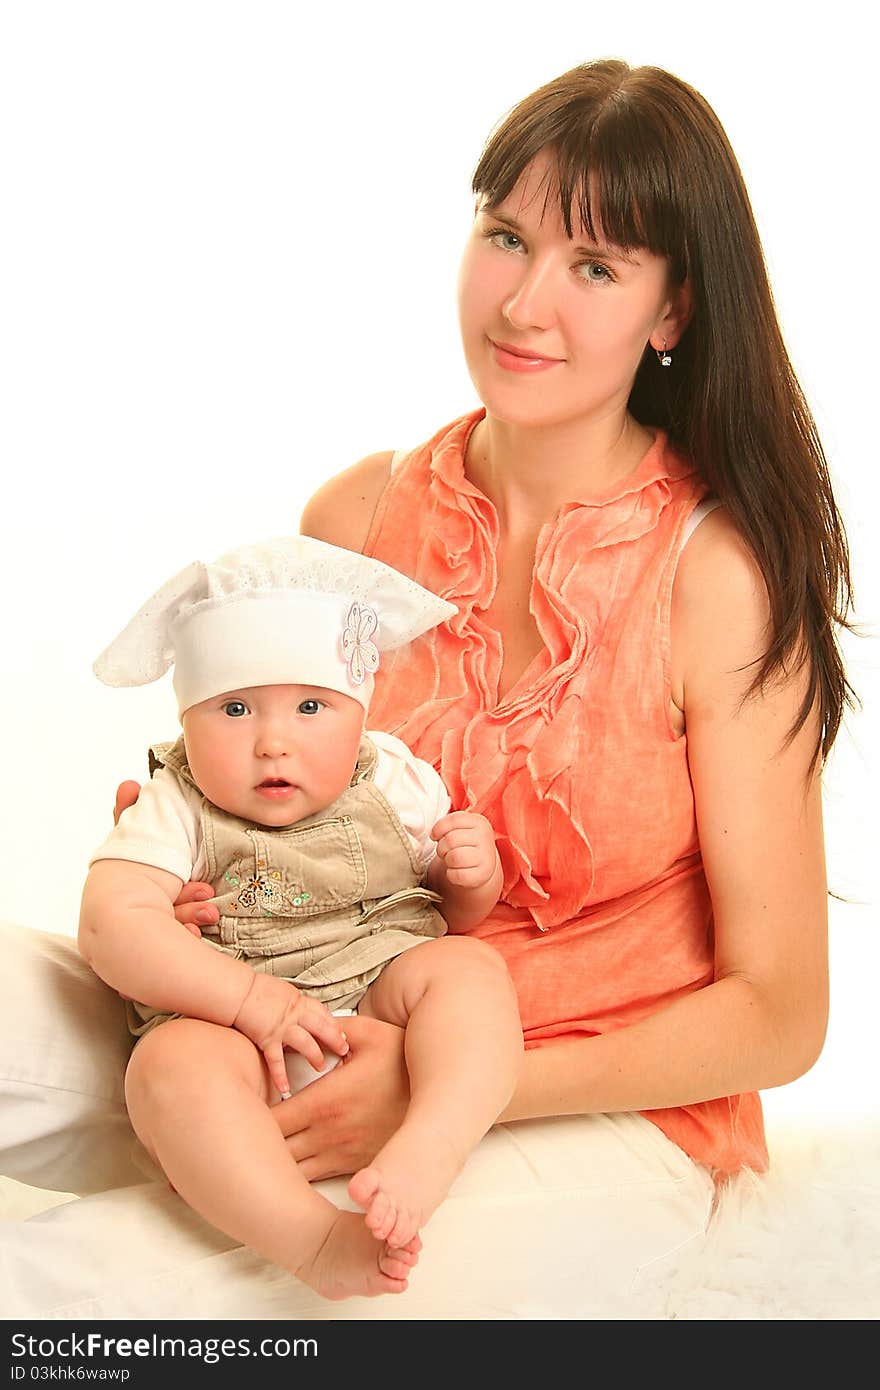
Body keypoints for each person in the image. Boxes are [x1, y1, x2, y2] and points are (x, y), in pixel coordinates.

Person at [0, 58, 851, 1320]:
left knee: (81, 1287)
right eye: (506, 236)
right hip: (297, 1006)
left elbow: (779, 1017)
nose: (524, 303)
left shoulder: (711, 574)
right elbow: (275, 774)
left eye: (596, 267)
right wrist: (212, 859)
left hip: (594, 1111)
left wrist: (450, 1086)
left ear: (673, 313)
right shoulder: (355, 517)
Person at [78, 534, 521, 1300]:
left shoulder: (395, 781)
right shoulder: (175, 805)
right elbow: (111, 925)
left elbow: (456, 920)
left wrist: (469, 877)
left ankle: (431, 1145)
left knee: (470, 974)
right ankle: (309, 1237)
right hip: (236, 1031)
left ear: (357, 715)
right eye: (235, 708)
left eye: (311, 707)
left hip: (377, 988)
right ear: (187, 721)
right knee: (166, 1070)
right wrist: (248, 1000)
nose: (273, 741)